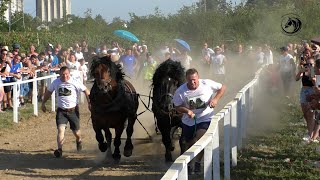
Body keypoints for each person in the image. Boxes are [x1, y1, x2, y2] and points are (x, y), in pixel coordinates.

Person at [172, 68, 226, 174]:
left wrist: (215, 99)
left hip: (205, 117)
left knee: (202, 137)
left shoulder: (207, 83)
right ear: (186, 80)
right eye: (189, 80)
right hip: (189, 121)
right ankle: (190, 164)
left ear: (198, 77)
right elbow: (177, 107)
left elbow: (222, 87)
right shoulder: (180, 91)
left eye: (194, 79)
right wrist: (187, 111)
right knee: (190, 144)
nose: (192, 82)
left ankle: (198, 162)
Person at [41, 66, 91, 158]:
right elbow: (48, 92)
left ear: (69, 74)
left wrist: (89, 103)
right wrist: (43, 103)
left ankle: (79, 140)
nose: (65, 76)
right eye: (63, 74)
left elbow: (86, 91)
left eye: (66, 74)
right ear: (60, 74)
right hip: (61, 110)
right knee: (61, 130)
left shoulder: (75, 81)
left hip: (73, 110)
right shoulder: (56, 82)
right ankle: (59, 149)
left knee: (76, 132)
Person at [295, 58, 316, 142]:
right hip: (303, 90)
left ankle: (310, 134)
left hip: (312, 91)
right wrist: (301, 71)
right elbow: (296, 79)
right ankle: (310, 130)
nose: (309, 66)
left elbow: (314, 81)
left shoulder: (315, 71)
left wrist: (311, 72)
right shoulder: (304, 71)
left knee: (310, 113)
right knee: (305, 113)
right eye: (307, 64)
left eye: (311, 64)